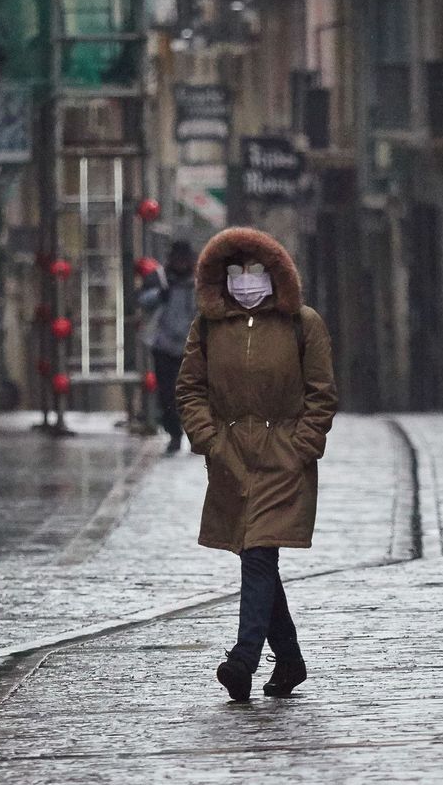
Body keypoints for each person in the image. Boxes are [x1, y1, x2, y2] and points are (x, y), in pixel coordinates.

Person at [175, 226, 338, 703]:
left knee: (260, 554)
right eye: (236, 270)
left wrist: (301, 445)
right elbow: (190, 388)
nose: (245, 280)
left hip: (283, 458)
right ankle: (288, 659)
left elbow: (321, 393)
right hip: (231, 459)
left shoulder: (303, 324)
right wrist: (210, 440)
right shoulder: (208, 327)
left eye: (255, 270)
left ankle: (243, 660)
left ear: (274, 273)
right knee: (256, 555)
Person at [138, 239, 198, 453]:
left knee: (195, 395)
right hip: (163, 346)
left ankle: (196, 434)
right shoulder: (159, 278)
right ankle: (174, 433)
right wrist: (159, 295)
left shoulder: (201, 280)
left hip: (194, 347)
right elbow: (142, 300)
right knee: (167, 395)